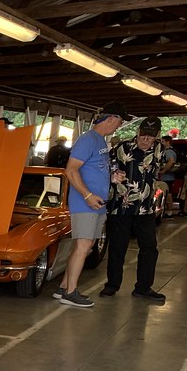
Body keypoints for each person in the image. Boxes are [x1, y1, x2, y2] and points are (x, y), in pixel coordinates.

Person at [55, 101, 130, 308]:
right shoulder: (88, 139)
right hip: (85, 203)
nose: (119, 126)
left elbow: (93, 169)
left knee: (85, 247)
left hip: (96, 204)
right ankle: (70, 293)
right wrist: (87, 195)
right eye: (119, 122)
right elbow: (71, 170)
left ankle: (64, 286)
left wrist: (112, 177)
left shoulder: (100, 142)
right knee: (84, 245)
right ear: (111, 118)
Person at [99, 116, 167, 304]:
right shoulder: (122, 147)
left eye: (150, 136)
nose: (146, 139)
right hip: (121, 207)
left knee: (149, 248)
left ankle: (143, 288)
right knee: (117, 248)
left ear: (157, 136)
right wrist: (113, 174)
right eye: (143, 134)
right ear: (138, 132)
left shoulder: (160, 149)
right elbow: (105, 166)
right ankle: (112, 285)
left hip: (145, 209)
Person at [157, 134, 178, 215]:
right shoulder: (167, 151)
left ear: (168, 142)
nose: (161, 143)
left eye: (163, 142)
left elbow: (171, 161)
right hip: (167, 177)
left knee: (168, 194)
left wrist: (164, 170)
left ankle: (169, 212)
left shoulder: (168, 151)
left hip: (167, 177)